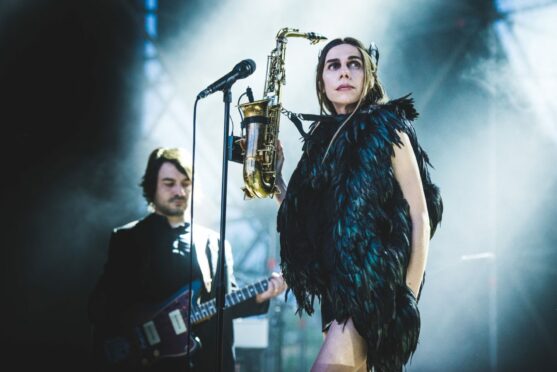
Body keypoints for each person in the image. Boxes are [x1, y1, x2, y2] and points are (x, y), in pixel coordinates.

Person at [276, 37, 443, 371]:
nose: (344, 73)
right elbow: (308, 220)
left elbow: (420, 215)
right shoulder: (319, 144)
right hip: (337, 291)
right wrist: (278, 181)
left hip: (375, 284)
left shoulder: (386, 126)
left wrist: (407, 298)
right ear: (322, 83)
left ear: (368, 75)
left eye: (354, 63)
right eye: (333, 65)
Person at [88, 147, 287, 371]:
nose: (179, 191)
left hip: (201, 362)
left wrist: (262, 295)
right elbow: (101, 306)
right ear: (152, 186)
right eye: (169, 183)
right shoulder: (128, 239)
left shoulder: (213, 244)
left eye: (185, 183)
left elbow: (225, 304)